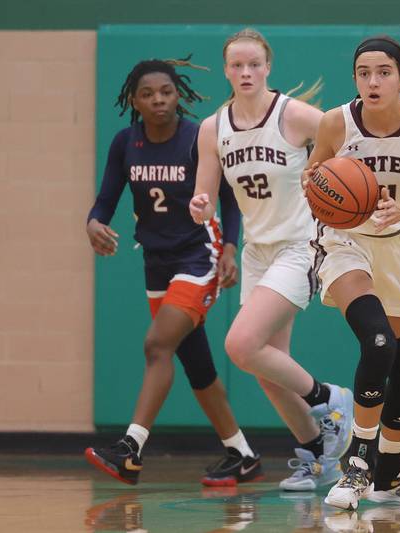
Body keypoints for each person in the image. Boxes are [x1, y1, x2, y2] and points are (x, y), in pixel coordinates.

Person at [189, 28, 354, 491]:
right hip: (260, 250)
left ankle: (331, 400)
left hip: (301, 245)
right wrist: (200, 204)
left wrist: (337, 190)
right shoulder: (213, 128)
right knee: (267, 366)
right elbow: (205, 189)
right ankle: (321, 457)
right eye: (236, 65)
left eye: (254, 64)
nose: (245, 72)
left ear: (268, 67)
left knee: (241, 345)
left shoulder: (294, 115)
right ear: (226, 70)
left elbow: (349, 148)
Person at [85, 56, 262, 487]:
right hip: (156, 262)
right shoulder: (125, 143)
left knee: (156, 345)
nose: (158, 100)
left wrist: (232, 250)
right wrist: (93, 223)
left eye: (166, 91)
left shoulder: (198, 137)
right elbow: (106, 200)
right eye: (147, 94)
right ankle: (241, 454)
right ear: (134, 100)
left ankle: (130, 448)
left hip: (198, 256)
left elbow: (229, 198)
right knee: (195, 363)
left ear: (178, 94)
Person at [300, 35, 400, 510]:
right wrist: (318, 185)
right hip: (345, 242)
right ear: (356, 79)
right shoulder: (335, 123)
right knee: (378, 340)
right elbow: (313, 180)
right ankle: (357, 467)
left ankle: (391, 476)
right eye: (364, 72)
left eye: (384, 72)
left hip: (397, 243)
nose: (373, 81)